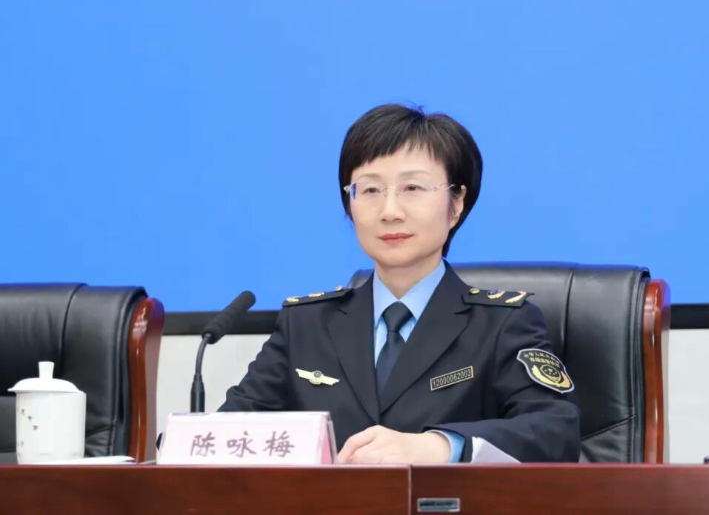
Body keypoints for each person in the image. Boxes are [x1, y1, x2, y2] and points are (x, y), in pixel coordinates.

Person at [220, 104, 581, 464]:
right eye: (371, 190)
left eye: (412, 187)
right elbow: (228, 433)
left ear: (456, 204)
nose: (390, 211)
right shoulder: (307, 324)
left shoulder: (501, 323)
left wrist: (441, 446)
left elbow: (554, 431)